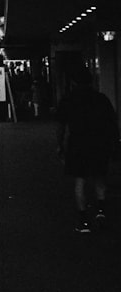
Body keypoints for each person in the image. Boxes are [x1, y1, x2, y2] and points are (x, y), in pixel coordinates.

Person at [55, 68, 120, 233]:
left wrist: (60, 145)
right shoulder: (101, 99)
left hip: (77, 144)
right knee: (99, 178)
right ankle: (101, 212)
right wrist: (114, 143)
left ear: (73, 82)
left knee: (80, 181)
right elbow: (112, 123)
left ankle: (84, 220)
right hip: (99, 143)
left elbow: (61, 126)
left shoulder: (68, 100)